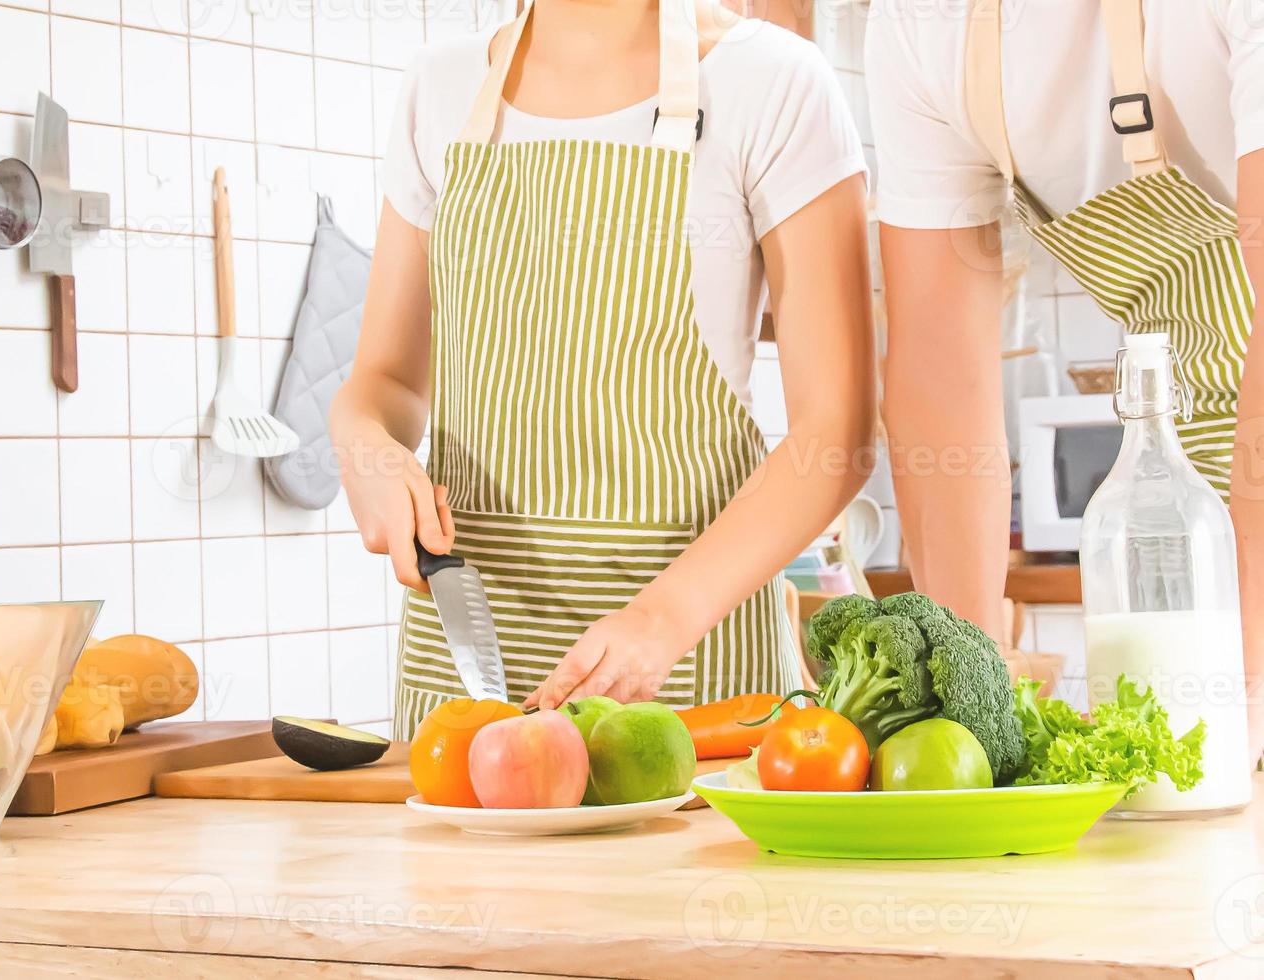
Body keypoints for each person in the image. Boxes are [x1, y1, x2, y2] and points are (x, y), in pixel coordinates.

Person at [331, 0, 876, 738]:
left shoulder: (770, 81)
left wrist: (661, 620)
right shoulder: (441, 86)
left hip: (690, 687)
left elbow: (835, 433)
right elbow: (385, 381)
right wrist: (365, 448)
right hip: (463, 693)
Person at [866, 0, 1264, 752]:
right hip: (1199, 472)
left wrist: (1242, 692)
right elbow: (938, 372)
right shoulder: (919, 27)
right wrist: (970, 711)